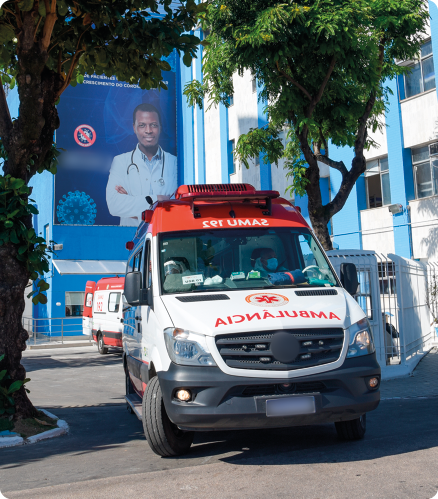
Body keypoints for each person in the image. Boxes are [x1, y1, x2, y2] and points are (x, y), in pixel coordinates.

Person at [106, 103, 178, 226]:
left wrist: (131, 200)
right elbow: (114, 205)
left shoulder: (175, 163)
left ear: (160, 127)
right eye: (142, 125)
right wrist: (159, 199)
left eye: (153, 125)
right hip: (132, 238)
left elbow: (177, 205)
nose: (148, 131)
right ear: (134, 128)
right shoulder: (120, 162)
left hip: (166, 234)